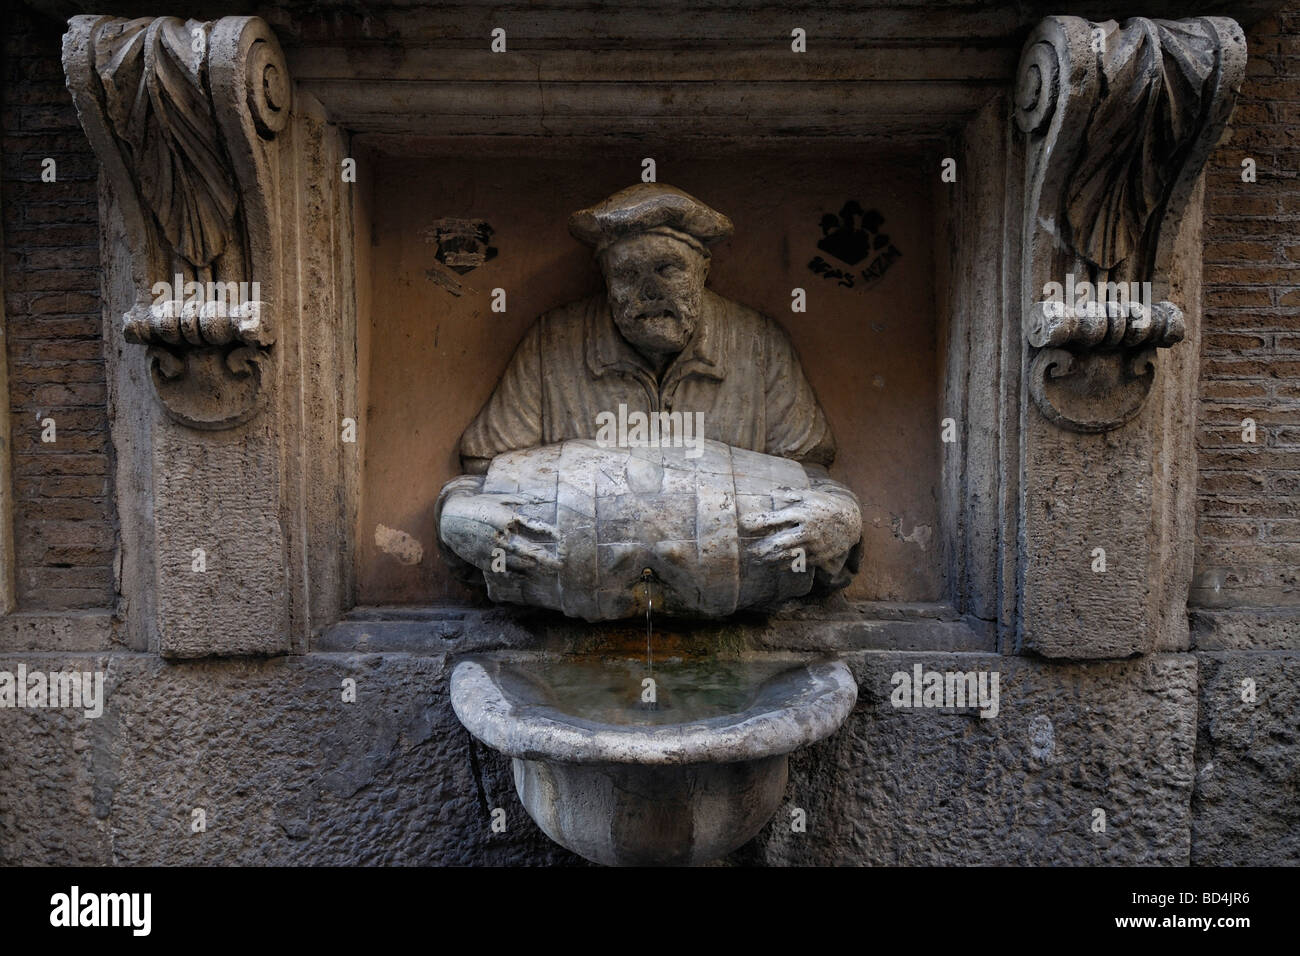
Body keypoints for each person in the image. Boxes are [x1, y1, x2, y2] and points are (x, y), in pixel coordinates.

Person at [437, 182, 861, 600]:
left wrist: (840, 517)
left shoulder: (758, 344)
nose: (650, 290)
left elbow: (811, 479)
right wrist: (459, 515)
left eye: (667, 269)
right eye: (627, 273)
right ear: (605, 280)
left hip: (730, 603)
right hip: (582, 602)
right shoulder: (554, 343)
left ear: (703, 270)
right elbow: (483, 478)